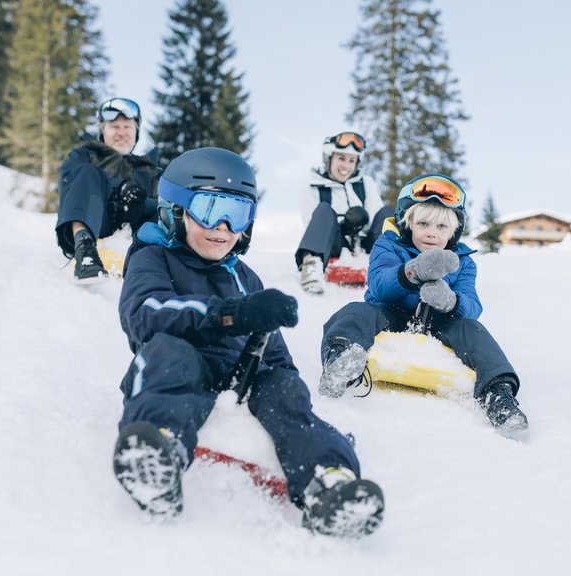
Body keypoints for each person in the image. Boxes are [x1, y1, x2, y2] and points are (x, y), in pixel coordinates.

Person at [112, 147, 384, 538]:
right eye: (208, 209)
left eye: (236, 214)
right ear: (175, 209)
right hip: (178, 364)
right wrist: (231, 315)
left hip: (244, 375)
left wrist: (275, 358)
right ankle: (156, 456)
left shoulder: (245, 275)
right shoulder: (152, 258)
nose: (222, 226)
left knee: (287, 390)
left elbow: (276, 357)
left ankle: (329, 482)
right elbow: (145, 313)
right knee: (170, 355)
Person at [317, 174, 529, 437]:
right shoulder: (389, 244)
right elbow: (379, 283)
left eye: (442, 226)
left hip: (440, 322)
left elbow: (472, 304)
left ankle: (499, 396)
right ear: (408, 223)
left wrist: (451, 303)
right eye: (424, 223)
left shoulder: (463, 261)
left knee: (473, 331)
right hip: (389, 312)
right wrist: (411, 272)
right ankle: (340, 360)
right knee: (353, 313)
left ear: (454, 232)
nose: (431, 232)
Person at [55, 97, 159, 283]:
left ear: (136, 132)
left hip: (137, 236)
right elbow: (68, 184)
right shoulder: (86, 155)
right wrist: (118, 191)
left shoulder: (149, 170)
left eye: (127, 127)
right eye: (114, 127)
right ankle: (85, 252)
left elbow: (162, 206)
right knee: (85, 173)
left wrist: (139, 205)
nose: (121, 133)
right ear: (103, 130)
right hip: (97, 221)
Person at [296, 131, 393, 294]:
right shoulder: (311, 187)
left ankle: (394, 266)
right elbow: (312, 225)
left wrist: (357, 222)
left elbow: (377, 217)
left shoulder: (365, 184)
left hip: (368, 246)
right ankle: (312, 265)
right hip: (334, 245)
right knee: (324, 209)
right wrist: (344, 226)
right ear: (329, 158)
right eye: (341, 158)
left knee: (387, 213)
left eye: (352, 160)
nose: (346, 166)